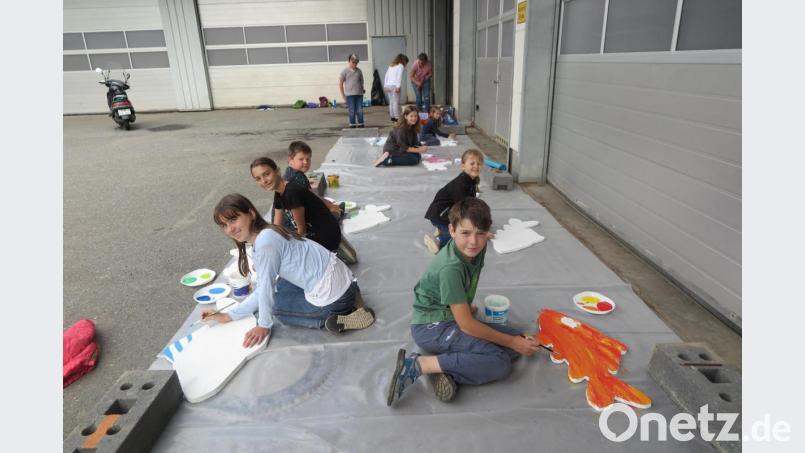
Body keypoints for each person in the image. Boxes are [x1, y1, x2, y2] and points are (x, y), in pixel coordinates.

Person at [386, 197, 541, 405]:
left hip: (452, 316)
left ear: (488, 231)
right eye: (465, 233)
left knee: (517, 340)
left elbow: (468, 289)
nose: (474, 242)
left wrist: (466, 307)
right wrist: (511, 341)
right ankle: (420, 364)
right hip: (431, 327)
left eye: (480, 233)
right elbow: (467, 325)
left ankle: (448, 368)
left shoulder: (478, 248)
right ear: (451, 230)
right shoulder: (450, 268)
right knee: (501, 363)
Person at [201, 194, 375, 343]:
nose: (230, 229)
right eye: (224, 225)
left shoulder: (264, 243)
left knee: (275, 308)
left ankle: (340, 317)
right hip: (344, 281)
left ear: (251, 213)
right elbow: (267, 287)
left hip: (335, 297)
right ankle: (351, 297)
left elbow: (264, 291)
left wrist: (263, 325)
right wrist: (229, 314)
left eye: (233, 220)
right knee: (280, 286)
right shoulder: (269, 230)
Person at [250, 157, 341, 252]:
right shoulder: (278, 193)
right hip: (315, 233)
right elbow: (277, 228)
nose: (264, 181)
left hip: (327, 238)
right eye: (258, 178)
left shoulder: (291, 192)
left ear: (277, 171)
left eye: (267, 174)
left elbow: (302, 230)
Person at [423, 149, 483, 253]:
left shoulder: (471, 180)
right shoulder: (461, 185)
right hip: (440, 215)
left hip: (446, 213)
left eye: (479, 163)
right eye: (472, 163)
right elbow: (464, 210)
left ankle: (443, 229)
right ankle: (437, 240)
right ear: (463, 166)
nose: (476, 166)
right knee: (463, 238)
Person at [284, 141, 343, 219]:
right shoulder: (300, 177)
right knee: (335, 213)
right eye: (301, 159)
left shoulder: (288, 172)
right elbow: (314, 198)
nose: (305, 162)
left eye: (308, 159)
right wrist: (331, 205)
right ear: (290, 160)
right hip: (297, 219)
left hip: (288, 216)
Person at [338, 53, 365, 128]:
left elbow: (361, 81)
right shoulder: (345, 71)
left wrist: (362, 89)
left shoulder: (359, 71)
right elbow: (340, 84)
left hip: (359, 94)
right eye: (353, 62)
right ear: (349, 61)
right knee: (352, 111)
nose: (354, 64)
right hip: (350, 95)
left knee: (360, 110)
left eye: (356, 62)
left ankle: (361, 124)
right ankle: (352, 124)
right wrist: (343, 95)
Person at [383, 54, 409, 122]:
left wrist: (385, 85)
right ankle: (397, 117)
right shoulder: (401, 66)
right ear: (404, 61)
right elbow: (399, 77)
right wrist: (398, 86)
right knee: (396, 102)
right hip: (395, 85)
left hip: (388, 85)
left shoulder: (391, 65)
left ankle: (392, 116)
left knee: (391, 102)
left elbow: (386, 76)